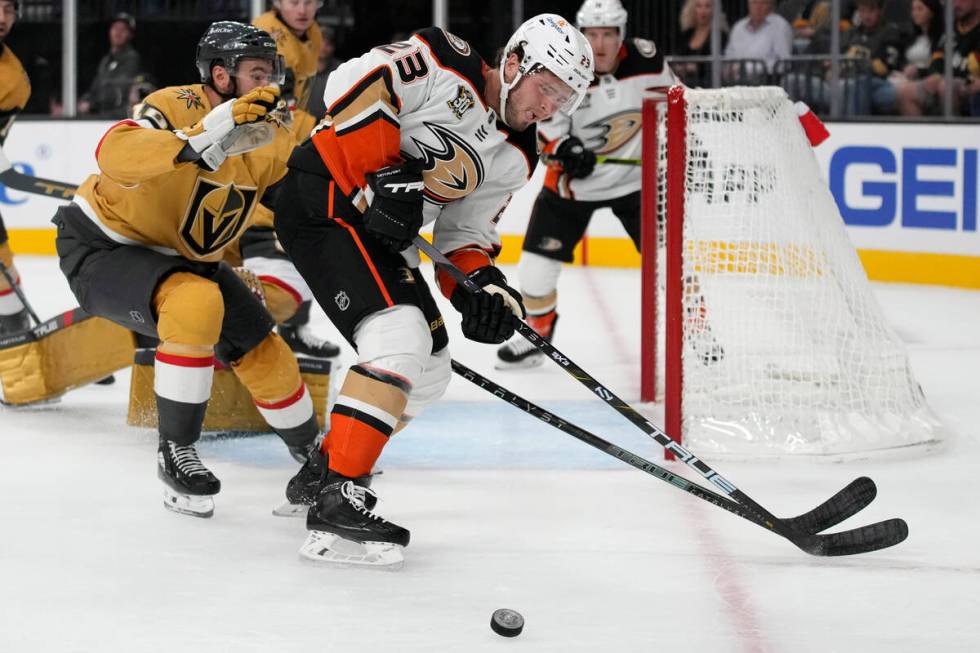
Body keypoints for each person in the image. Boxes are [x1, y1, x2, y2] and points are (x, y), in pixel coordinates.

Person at [274, 14, 594, 565]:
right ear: (515, 63)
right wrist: (383, 172)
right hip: (323, 198)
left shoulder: (518, 155)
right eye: (546, 89)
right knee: (398, 337)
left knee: (429, 371)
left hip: (375, 233)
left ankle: (326, 469)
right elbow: (352, 80)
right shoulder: (449, 59)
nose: (547, 108)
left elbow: (464, 234)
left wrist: (481, 289)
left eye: (561, 101)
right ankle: (337, 499)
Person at [52, 21, 321, 519]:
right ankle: (175, 451)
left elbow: (299, 210)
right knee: (198, 304)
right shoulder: (177, 104)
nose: (270, 85)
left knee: (262, 344)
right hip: (104, 246)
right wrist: (204, 137)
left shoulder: (271, 137)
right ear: (221, 76)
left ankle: (315, 458)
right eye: (257, 73)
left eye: (273, 73)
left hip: (188, 260)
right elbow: (114, 151)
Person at [496, 0, 676, 370]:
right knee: (533, 274)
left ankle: (696, 332)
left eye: (608, 34)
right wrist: (566, 147)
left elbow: (677, 106)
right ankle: (539, 331)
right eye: (592, 35)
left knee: (673, 264)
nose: (600, 45)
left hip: (636, 185)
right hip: (572, 187)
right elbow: (544, 126)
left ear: (621, 34)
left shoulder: (648, 61)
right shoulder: (568, 65)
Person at [247, 0, 340, 358]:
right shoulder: (267, 37)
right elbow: (275, 106)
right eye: (293, 0)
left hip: (291, 143)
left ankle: (295, 326)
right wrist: (325, 133)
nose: (302, 9)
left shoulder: (312, 33)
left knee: (303, 237)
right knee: (292, 237)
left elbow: (298, 100)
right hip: (263, 142)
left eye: (309, 1)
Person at [0, 0, 32, 335]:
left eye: (9, 9)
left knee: (1, 268)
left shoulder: (12, 80)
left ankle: (19, 344)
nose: (1, 18)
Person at [896, 0, 980, 115]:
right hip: (945, 80)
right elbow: (937, 59)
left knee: (946, 87)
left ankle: (953, 132)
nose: (955, 4)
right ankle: (920, 133)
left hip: (969, 85)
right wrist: (935, 75)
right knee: (905, 93)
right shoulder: (951, 27)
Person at [253, 0, 321, 111]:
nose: (302, 11)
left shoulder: (314, 32)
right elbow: (281, 109)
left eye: (308, 2)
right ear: (278, 3)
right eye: (294, 3)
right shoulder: (265, 30)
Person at [78, 13, 143, 118]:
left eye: (123, 29)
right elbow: (95, 88)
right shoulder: (106, 60)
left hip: (120, 117)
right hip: (102, 116)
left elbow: (116, 89)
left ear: (130, 35)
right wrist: (85, 101)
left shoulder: (133, 59)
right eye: (115, 28)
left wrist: (93, 103)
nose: (118, 32)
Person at [724, 0, 794, 78]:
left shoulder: (780, 26)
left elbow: (784, 63)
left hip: (767, 81)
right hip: (735, 82)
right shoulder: (738, 27)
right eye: (754, 2)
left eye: (763, 3)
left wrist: (749, 69)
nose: (758, 7)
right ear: (748, 4)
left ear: (771, 5)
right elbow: (729, 56)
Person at [675, 0, 729, 86]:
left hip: (708, 86)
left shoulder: (719, 35)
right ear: (693, 9)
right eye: (699, 6)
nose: (703, 11)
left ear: (714, 10)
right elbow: (677, 59)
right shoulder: (687, 34)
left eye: (707, 6)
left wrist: (690, 68)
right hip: (684, 85)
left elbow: (713, 66)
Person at [303, 24, 342, 120]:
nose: (323, 48)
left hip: (330, 125)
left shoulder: (341, 69)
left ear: (334, 47)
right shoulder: (301, 68)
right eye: (320, 43)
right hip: (302, 126)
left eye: (328, 44)